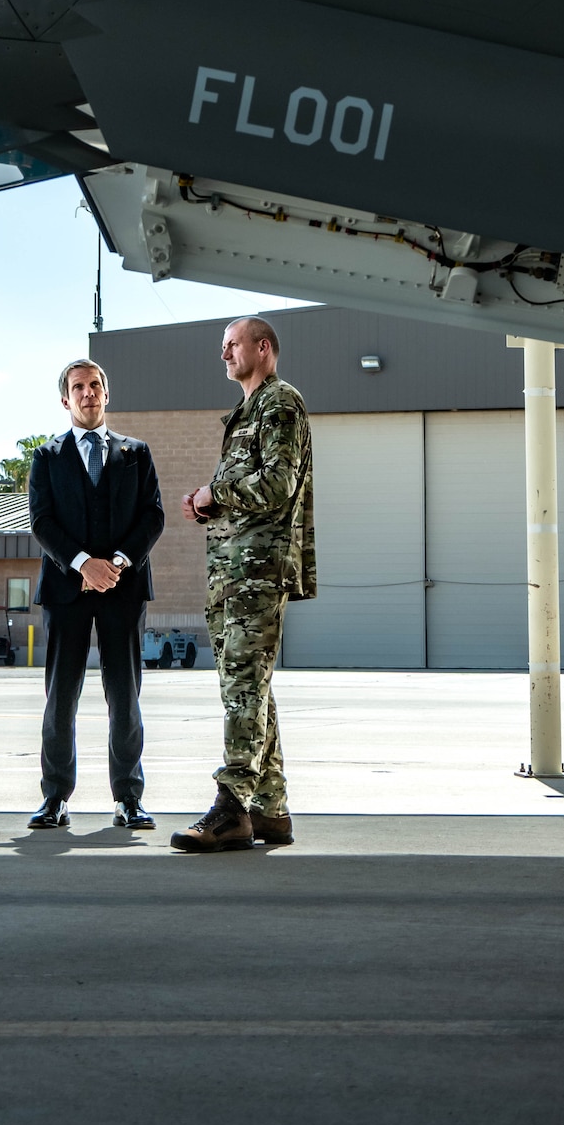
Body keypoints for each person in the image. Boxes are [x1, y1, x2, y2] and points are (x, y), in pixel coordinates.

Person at [170, 318, 315, 854]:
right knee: (254, 687)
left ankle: (231, 808)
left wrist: (217, 492)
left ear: (264, 347)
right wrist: (207, 501)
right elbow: (242, 492)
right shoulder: (246, 412)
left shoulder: (280, 402)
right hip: (233, 573)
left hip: (256, 572)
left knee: (242, 688)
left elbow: (277, 484)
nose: (224, 353)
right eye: (222, 346)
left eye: (233, 344)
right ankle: (270, 811)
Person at [27, 359, 165, 830]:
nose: (88, 393)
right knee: (60, 698)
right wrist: (85, 564)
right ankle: (55, 799)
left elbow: (153, 517)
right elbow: (42, 522)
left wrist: (118, 565)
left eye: (95, 385)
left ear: (107, 393)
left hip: (123, 591)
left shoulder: (137, 453)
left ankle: (128, 798)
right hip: (67, 591)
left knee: (124, 696)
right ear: (65, 399)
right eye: (78, 387)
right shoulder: (46, 457)